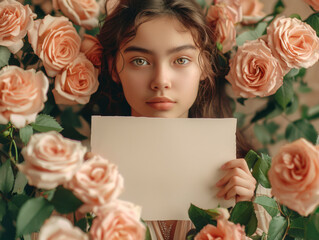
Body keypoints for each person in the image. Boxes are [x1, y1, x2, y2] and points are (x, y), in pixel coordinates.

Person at [93, 0, 257, 239]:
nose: (161, 80)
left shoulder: (247, 182)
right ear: (113, 68)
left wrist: (248, 213)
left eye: (181, 60)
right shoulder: (76, 177)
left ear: (204, 66)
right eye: (140, 61)